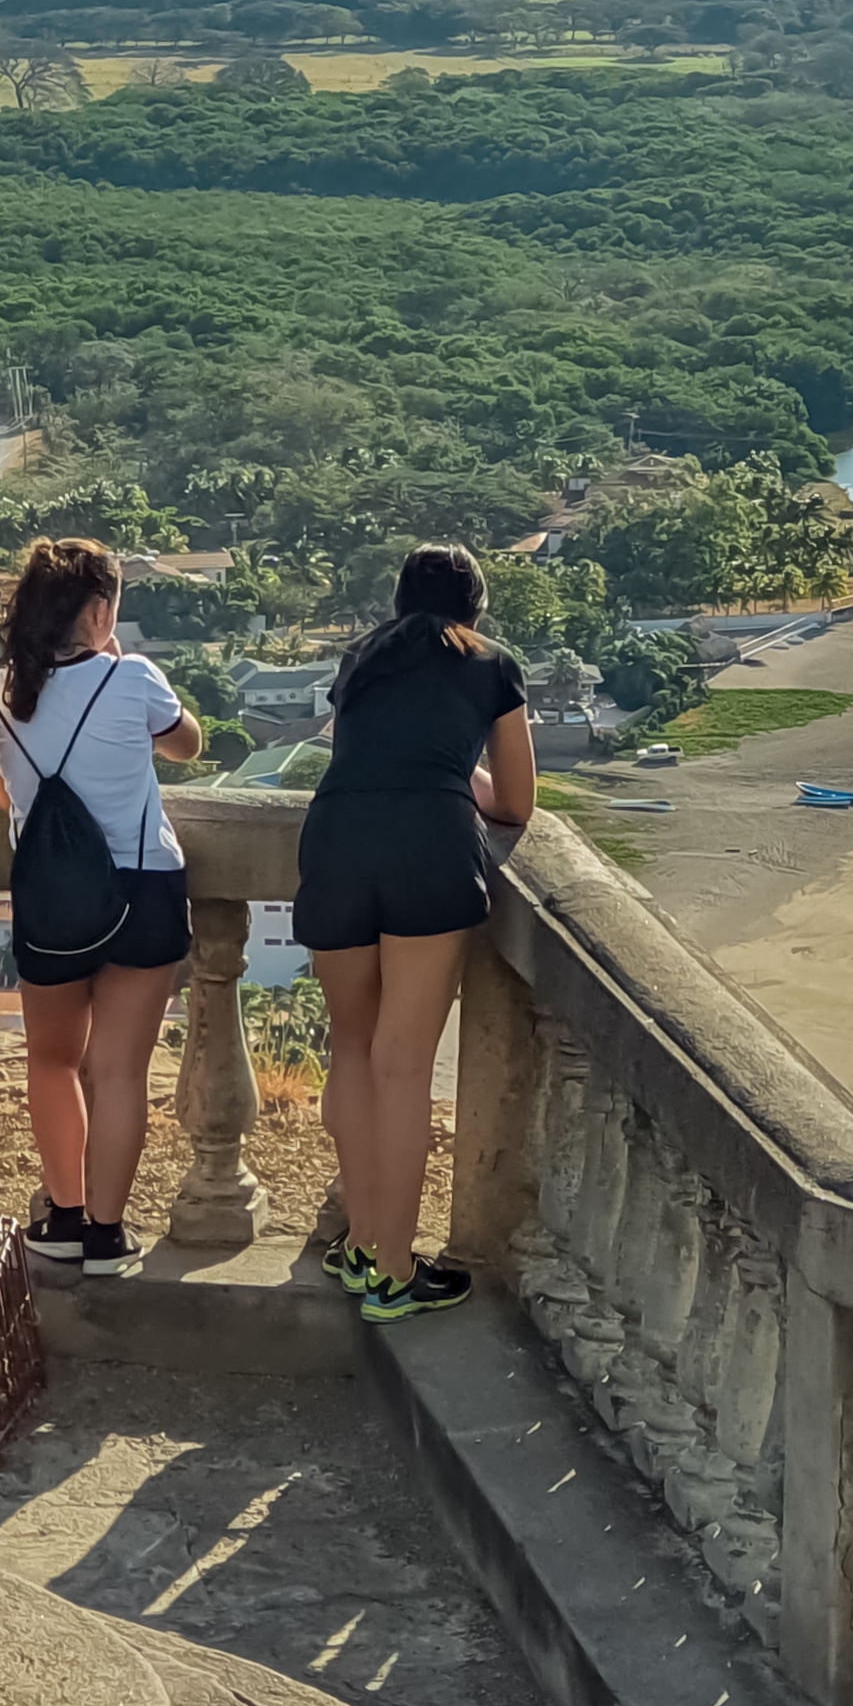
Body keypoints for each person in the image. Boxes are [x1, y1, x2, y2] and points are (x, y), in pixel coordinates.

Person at [294, 545, 536, 1322]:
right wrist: (455, 769)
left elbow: (360, 750)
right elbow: (517, 804)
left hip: (334, 838)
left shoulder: (359, 659)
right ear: (476, 607)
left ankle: (364, 1243)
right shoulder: (492, 664)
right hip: (426, 845)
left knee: (353, 1051)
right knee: (403, 1069)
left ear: (399, 602)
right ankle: (395, 1276)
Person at [0, 538, 200, 1278]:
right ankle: (106, 1234)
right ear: (101, 609)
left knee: (50, 1061)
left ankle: (64, 1214)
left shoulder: (0, 690)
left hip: (48, 892)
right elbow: (185, 747)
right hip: (142, 887)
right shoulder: (133, 676)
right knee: (117, 1071)